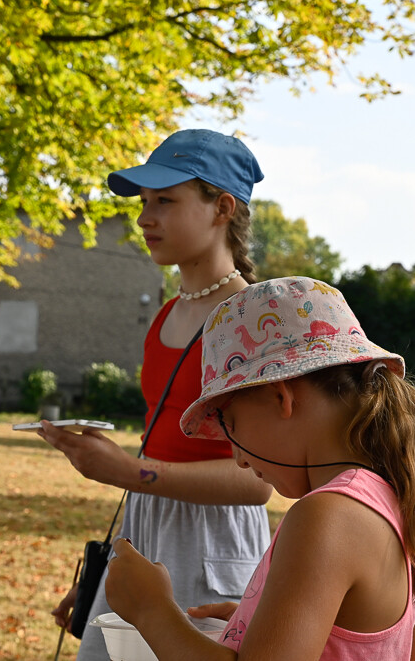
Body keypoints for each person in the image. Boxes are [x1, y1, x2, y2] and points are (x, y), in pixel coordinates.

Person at [104, 277, 415, 660]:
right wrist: (258, 625)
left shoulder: (327, 516)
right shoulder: (394, 500)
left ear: (277, 396)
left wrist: (153, 611)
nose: (239, 458)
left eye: (229, 424)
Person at [40, 129, 274, 661]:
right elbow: (160, 449)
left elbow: (257, 483)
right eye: (144, 203)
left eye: (165, 201)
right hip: (145, 531)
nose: (146, 218)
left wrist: (129, 471)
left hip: (214, 550)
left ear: (222, 208)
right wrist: (106, 572)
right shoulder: (168, 315)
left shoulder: (251, 319)